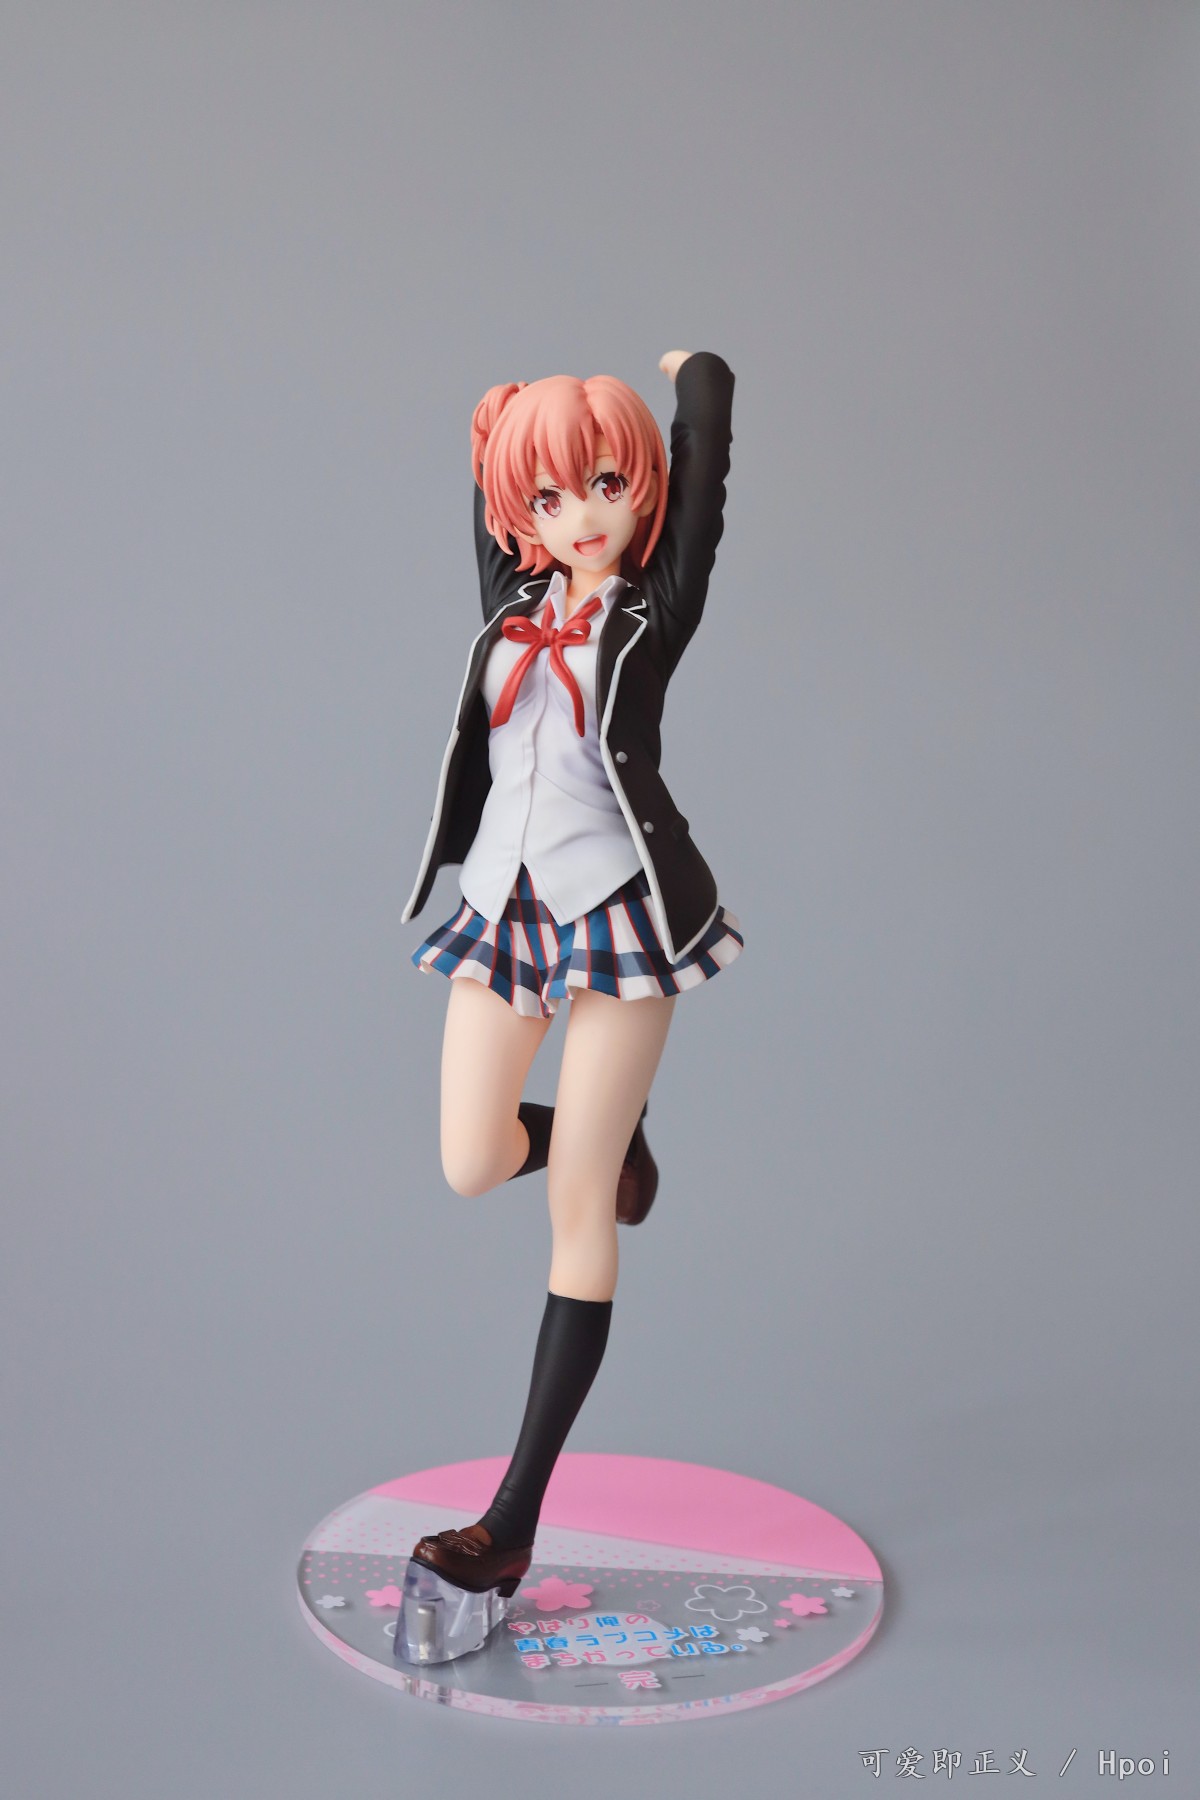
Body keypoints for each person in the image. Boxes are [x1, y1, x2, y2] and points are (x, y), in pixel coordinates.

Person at [396, 349, 742, 1662]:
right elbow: (490, 488)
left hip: (626, 917)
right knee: (471, 1157)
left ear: (639, 488)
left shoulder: (654, 611)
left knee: (577, 1204)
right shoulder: (511, 600)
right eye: (548, 498)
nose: (580, 516)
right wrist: (498, 434)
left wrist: (701, 381)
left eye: (604, 485)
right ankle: (613, 1134)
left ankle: (509, 1525)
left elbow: (702, 492)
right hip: (505, 907)